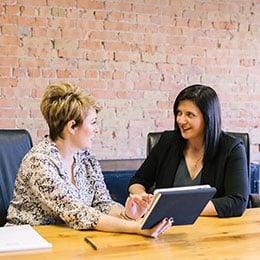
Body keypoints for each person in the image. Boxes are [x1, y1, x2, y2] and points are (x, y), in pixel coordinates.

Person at [6, 82, 173, 238]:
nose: (97, 130)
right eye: (93, 123)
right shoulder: (39, 162)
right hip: (25, 241)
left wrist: (127, 214)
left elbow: (102, 203)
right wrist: (137, 227)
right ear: (72, 127)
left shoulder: (86, 158)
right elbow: (78, 213)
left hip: (68, 239)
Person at [128, 84, 249, 218]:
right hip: (166, 228)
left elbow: (237, 202)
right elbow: (137, 181)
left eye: (190, 115)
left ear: (208, 118)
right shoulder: (167, 142)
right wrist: (142, 196)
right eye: (179, 113)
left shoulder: (232, 148)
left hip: (213, 230)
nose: (181, 120)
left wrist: (178, 208)